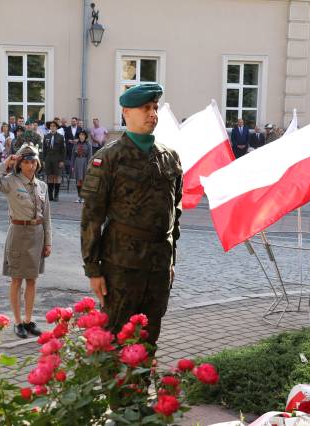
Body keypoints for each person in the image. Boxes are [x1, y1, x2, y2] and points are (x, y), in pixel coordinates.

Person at [80, 83, 182, 348]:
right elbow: (92, 217)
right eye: (145, 108)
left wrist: (171, 259)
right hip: (121, 265)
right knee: (116, 336)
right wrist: (93, 269)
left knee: (150, 335)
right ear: (126, 112)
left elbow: (175, 211)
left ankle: (142, 388)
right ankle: (116, 391)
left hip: (159, 265)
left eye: (155, 108)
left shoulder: (169, 158)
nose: (153, 114)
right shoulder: (109, 159)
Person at [0, 145, 51, 339]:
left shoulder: (42, 186)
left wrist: (48, 241)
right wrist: (6, 162)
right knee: (16, 279)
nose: (31, 166)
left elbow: (47, 216)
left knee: (32, 279)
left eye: (33, 162)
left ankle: (29, 320)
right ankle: (17, 322)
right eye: (26, 162)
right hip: (18, 232)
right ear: (19, 164)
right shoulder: (11, 181)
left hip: (37, 233)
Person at [42, 121, 66, 201]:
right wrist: (44, 160)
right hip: (48, 159)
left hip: (57, 159)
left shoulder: (61, 137)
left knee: (57, 176)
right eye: (51, 126)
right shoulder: (46, 136)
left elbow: (63, 150)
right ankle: (50, 195)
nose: (52, 127)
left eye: (54, 126)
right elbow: (44, 149)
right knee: (49, 176)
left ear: (56, 128)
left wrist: (62, 160)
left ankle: (56, 195)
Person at [71, 130, 92, 203]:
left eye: (83, 135)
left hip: (85, 162)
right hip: (77, 161)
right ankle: (78, 196)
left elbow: (90, 155)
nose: (81, 136)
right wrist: (72, 165)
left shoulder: (88, 144)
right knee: (78, 181)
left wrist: (89, 165)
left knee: (83, 180)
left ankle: (83, 197)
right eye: (80, 135)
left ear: (85, 136)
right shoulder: (76, 144)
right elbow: (73, 155)